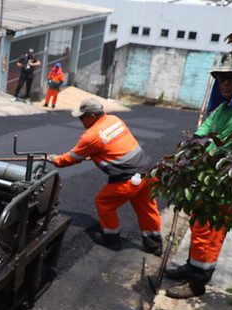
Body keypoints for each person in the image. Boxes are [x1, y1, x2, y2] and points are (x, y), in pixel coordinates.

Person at [165, 63, 232, 299]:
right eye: (221, 79)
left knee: (209, 231)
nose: (225, 83)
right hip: (208, 176)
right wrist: (188, 152)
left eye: (231, 79)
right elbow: (204, 132)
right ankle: (192, 267)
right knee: (198, 225)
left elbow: (229, 146)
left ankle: (197, 283)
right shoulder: (224, 108)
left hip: (225, 181)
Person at [53, 98, 163, 255]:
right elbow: (114, 146)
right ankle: (154, 245)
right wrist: (96, 154)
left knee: (104, 202)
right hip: (149, 172)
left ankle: (111, 239)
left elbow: (70, 159)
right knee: (146, 208)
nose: (80, 120)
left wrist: (54, 160)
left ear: (91, 116)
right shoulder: (114, 119)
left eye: (82, 117)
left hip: (129, 179)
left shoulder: (91, 136)